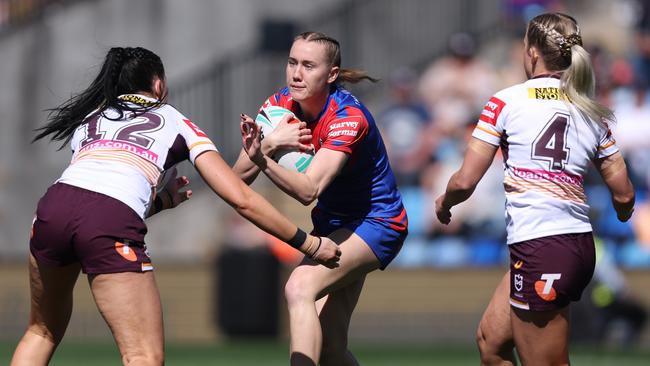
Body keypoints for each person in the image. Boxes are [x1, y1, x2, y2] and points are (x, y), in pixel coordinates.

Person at [10, 46, 341, 366]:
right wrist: (308, 243)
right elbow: (240, 196)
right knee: (143, 357)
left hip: (51, 210)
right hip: (106, 221)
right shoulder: (175, 121)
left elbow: (90, 200)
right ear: (158, 84)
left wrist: (157, 203)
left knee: (42, 331)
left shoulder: (92, 119)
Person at [434, 13, 635, 365]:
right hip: (571, 244)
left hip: (543, 245)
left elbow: (465, 181)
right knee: (491, 343)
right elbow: (625, 195)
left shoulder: (505, 102)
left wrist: (444, 202)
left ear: (530, 53)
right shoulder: (590, 110)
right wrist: (621, 213)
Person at [233, 32, 408, 366]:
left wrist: (262, 159)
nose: (296, 73)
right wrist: (267, 147)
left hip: (377, 221)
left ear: (330, 74)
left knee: (299, 287)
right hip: (332, 225)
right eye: (292, 62)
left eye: (308, 65)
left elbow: (308, 191)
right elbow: (234, 179)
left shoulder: (347, 117)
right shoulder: (277, 106)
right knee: (329, 347)